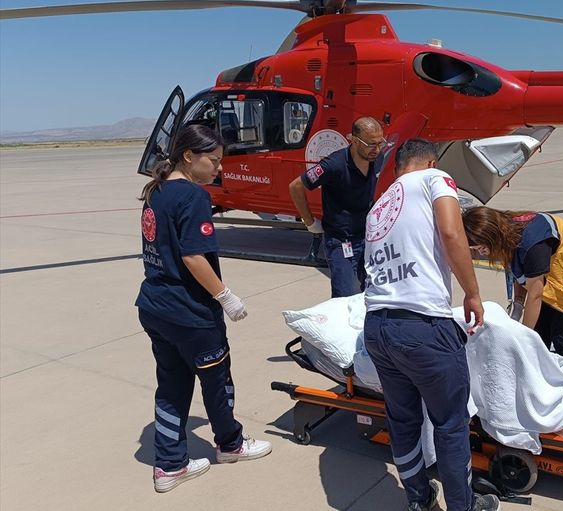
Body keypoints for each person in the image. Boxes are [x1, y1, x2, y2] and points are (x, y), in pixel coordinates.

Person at [362, 139, 499, 511]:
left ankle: (419, 500)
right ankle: (463, 505)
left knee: (403, 421)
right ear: (431, 162)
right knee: (450, 424)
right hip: (422, 327)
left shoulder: (378, 207)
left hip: (378, 327)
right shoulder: (435, 179)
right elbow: (452, 233)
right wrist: (472, 292)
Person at [135, 124, 272, 493]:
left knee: (171, 385)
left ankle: (169, 465)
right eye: (213, 160)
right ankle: (231, 444)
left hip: (155, 306)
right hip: (189, 312)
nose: (219, 168)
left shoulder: (156, 191)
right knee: (217, 379)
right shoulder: (193, 196)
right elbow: (193, 256)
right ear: (189, 156)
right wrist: (225, 296)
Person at [463, 206, 563, 361]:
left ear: (492, 235)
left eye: (482, 247)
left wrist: (522, 336)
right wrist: (518, 303)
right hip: (562, 277)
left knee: (561, 337)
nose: (481, 253)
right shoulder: (509, 229)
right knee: (540, 333)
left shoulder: (533, 243)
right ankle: (543, 371)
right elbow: (522, 270)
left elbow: (535, 294)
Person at [289, 117, 387, 297]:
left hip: (367, 237)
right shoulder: (334, 165)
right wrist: (310, 222)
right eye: (372, 144)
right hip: (341, 241)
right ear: (354, 141)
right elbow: (295, 186)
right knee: (345, 296)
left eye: (380, 143)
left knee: (372, 294)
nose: (377, 149)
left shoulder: (377, 158)